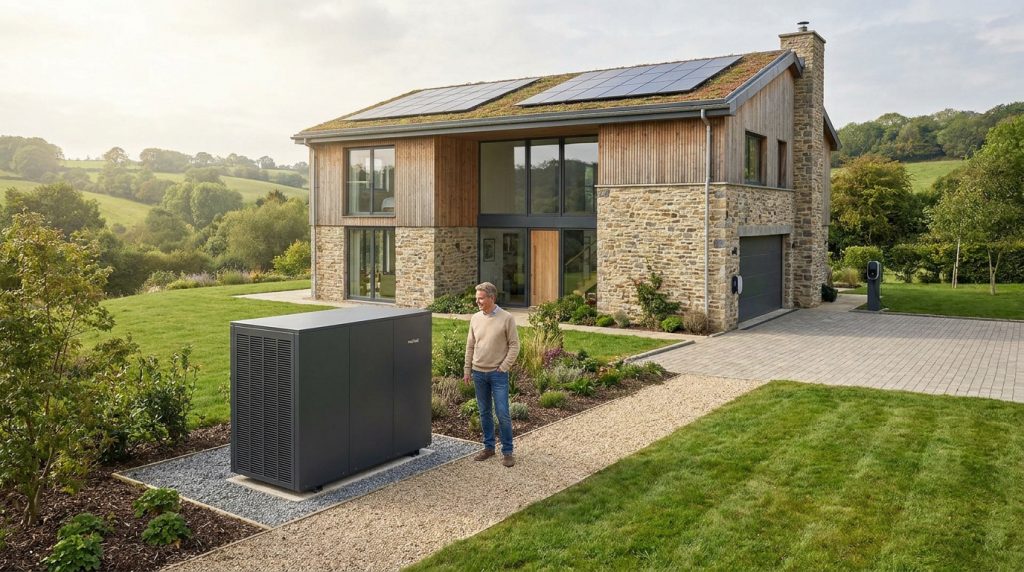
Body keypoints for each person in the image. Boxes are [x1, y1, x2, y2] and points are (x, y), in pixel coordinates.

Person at [464, 281, 520, 467]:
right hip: (478, 373)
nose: (478, 302)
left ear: (491, 298)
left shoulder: (507, 318)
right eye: (477, 298)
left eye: (481, 298)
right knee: (484, 412)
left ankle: (507, 451)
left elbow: (514, 346)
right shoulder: (475, 318)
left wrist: (504, 367)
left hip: (498, 375)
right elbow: (470, 345)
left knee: (503, 413)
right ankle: (488, 447)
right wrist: (467, 370)